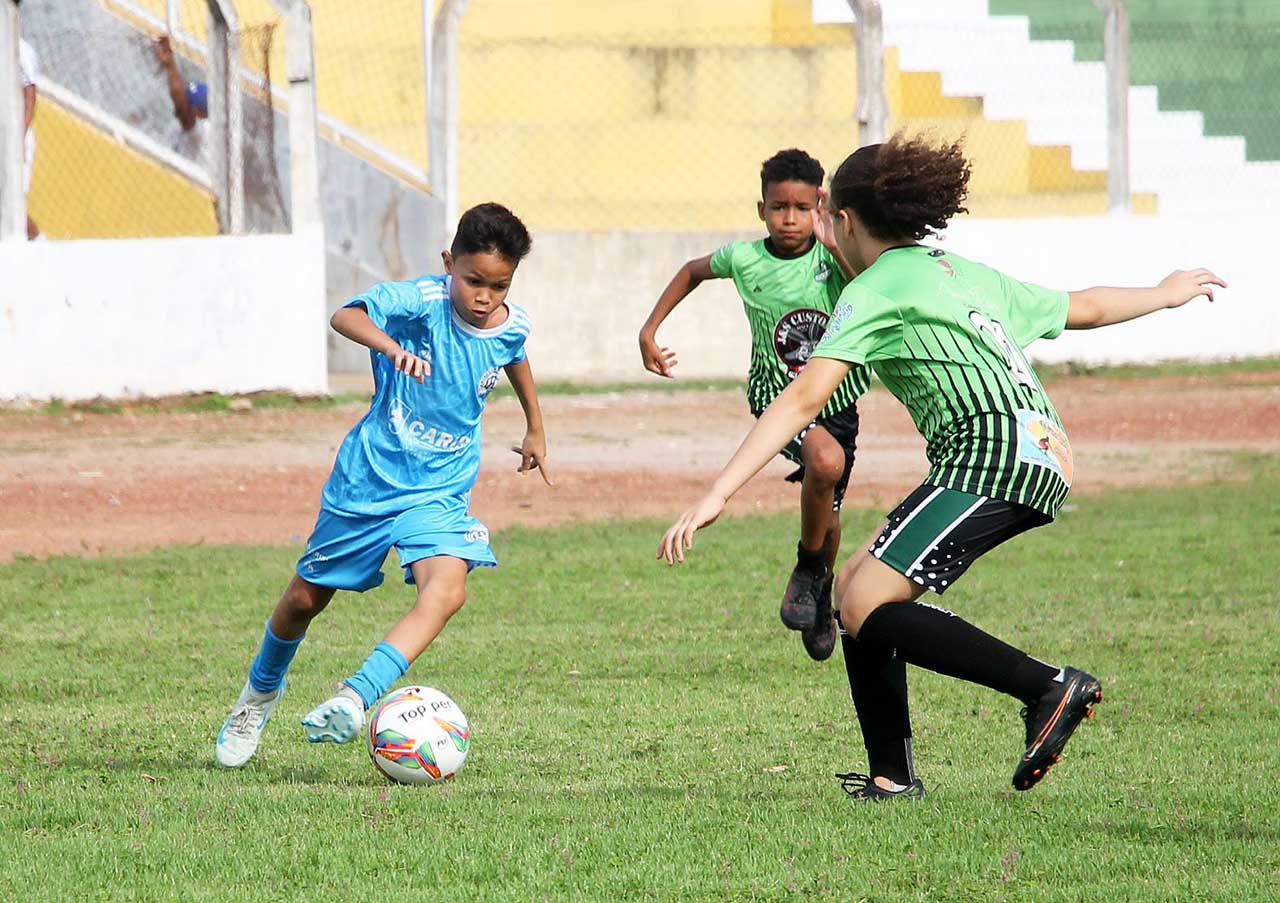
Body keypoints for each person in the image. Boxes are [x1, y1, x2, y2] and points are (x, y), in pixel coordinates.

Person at [658, 133, 1225, 799]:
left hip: (989, 453)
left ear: (842, 220)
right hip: (1035, 448)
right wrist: (1164, 293)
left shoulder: (874, 290)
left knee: (866, 603)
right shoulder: (958, 272)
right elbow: (1086, 306)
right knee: (853, 588)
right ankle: (891, 777)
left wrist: (718, 492)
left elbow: (805, 396)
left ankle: (1047, 686)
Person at [215, 202, 552, 768]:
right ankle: (257, 697)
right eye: (473, 281)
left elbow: (514, 354)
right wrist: (392, 347)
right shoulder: (418, 302)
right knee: (303, 601)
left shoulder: (511, 323)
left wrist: (535, 426)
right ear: (448, 263)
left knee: (447, 591)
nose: (484, 297)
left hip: (440, 491)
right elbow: (345, 316)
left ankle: (354, 697)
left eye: (499, 286)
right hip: (369, 482)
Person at [639, 149, 870, 662]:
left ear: (820, 209)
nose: (789, 219)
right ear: (761, 208)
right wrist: (649, 330)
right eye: (778, 207)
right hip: (776, 397)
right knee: (825, 462)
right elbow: (691, 271)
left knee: (829, 512)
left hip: (838, 400)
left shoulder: (833, 258)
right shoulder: (744, 259)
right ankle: (808, 568)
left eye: (802, 208)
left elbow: (867, 288)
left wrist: (834, 243)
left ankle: (819, 583)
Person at [153, 36, 210, 170]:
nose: (182, 102)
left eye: (187, 102)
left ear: (200, 113)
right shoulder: (180, 125)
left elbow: (180, 103)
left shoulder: (203, 129)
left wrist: (170, 65)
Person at [19, 36, 38, 240]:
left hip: (16, 138)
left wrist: (18, 137)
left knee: (14, 204)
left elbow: (30, 96)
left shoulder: (20, 50)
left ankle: (40, 243)